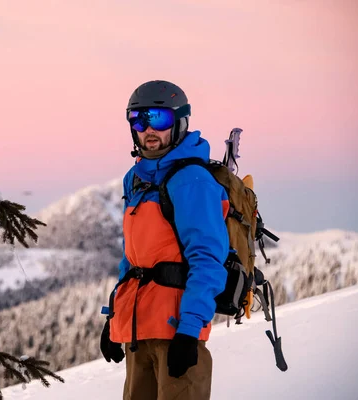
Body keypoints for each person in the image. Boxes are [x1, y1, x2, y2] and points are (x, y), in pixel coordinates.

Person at [100, 80, 230, 400]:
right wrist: (115, 317)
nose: (148, 129)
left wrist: (189, 330)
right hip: (138, 332)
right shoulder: (136, 179)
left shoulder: (191, 180)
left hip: (177, 333)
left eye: (159, 118)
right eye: (138, 119)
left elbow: (207, 259)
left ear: (180, 122)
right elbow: (132, 258)